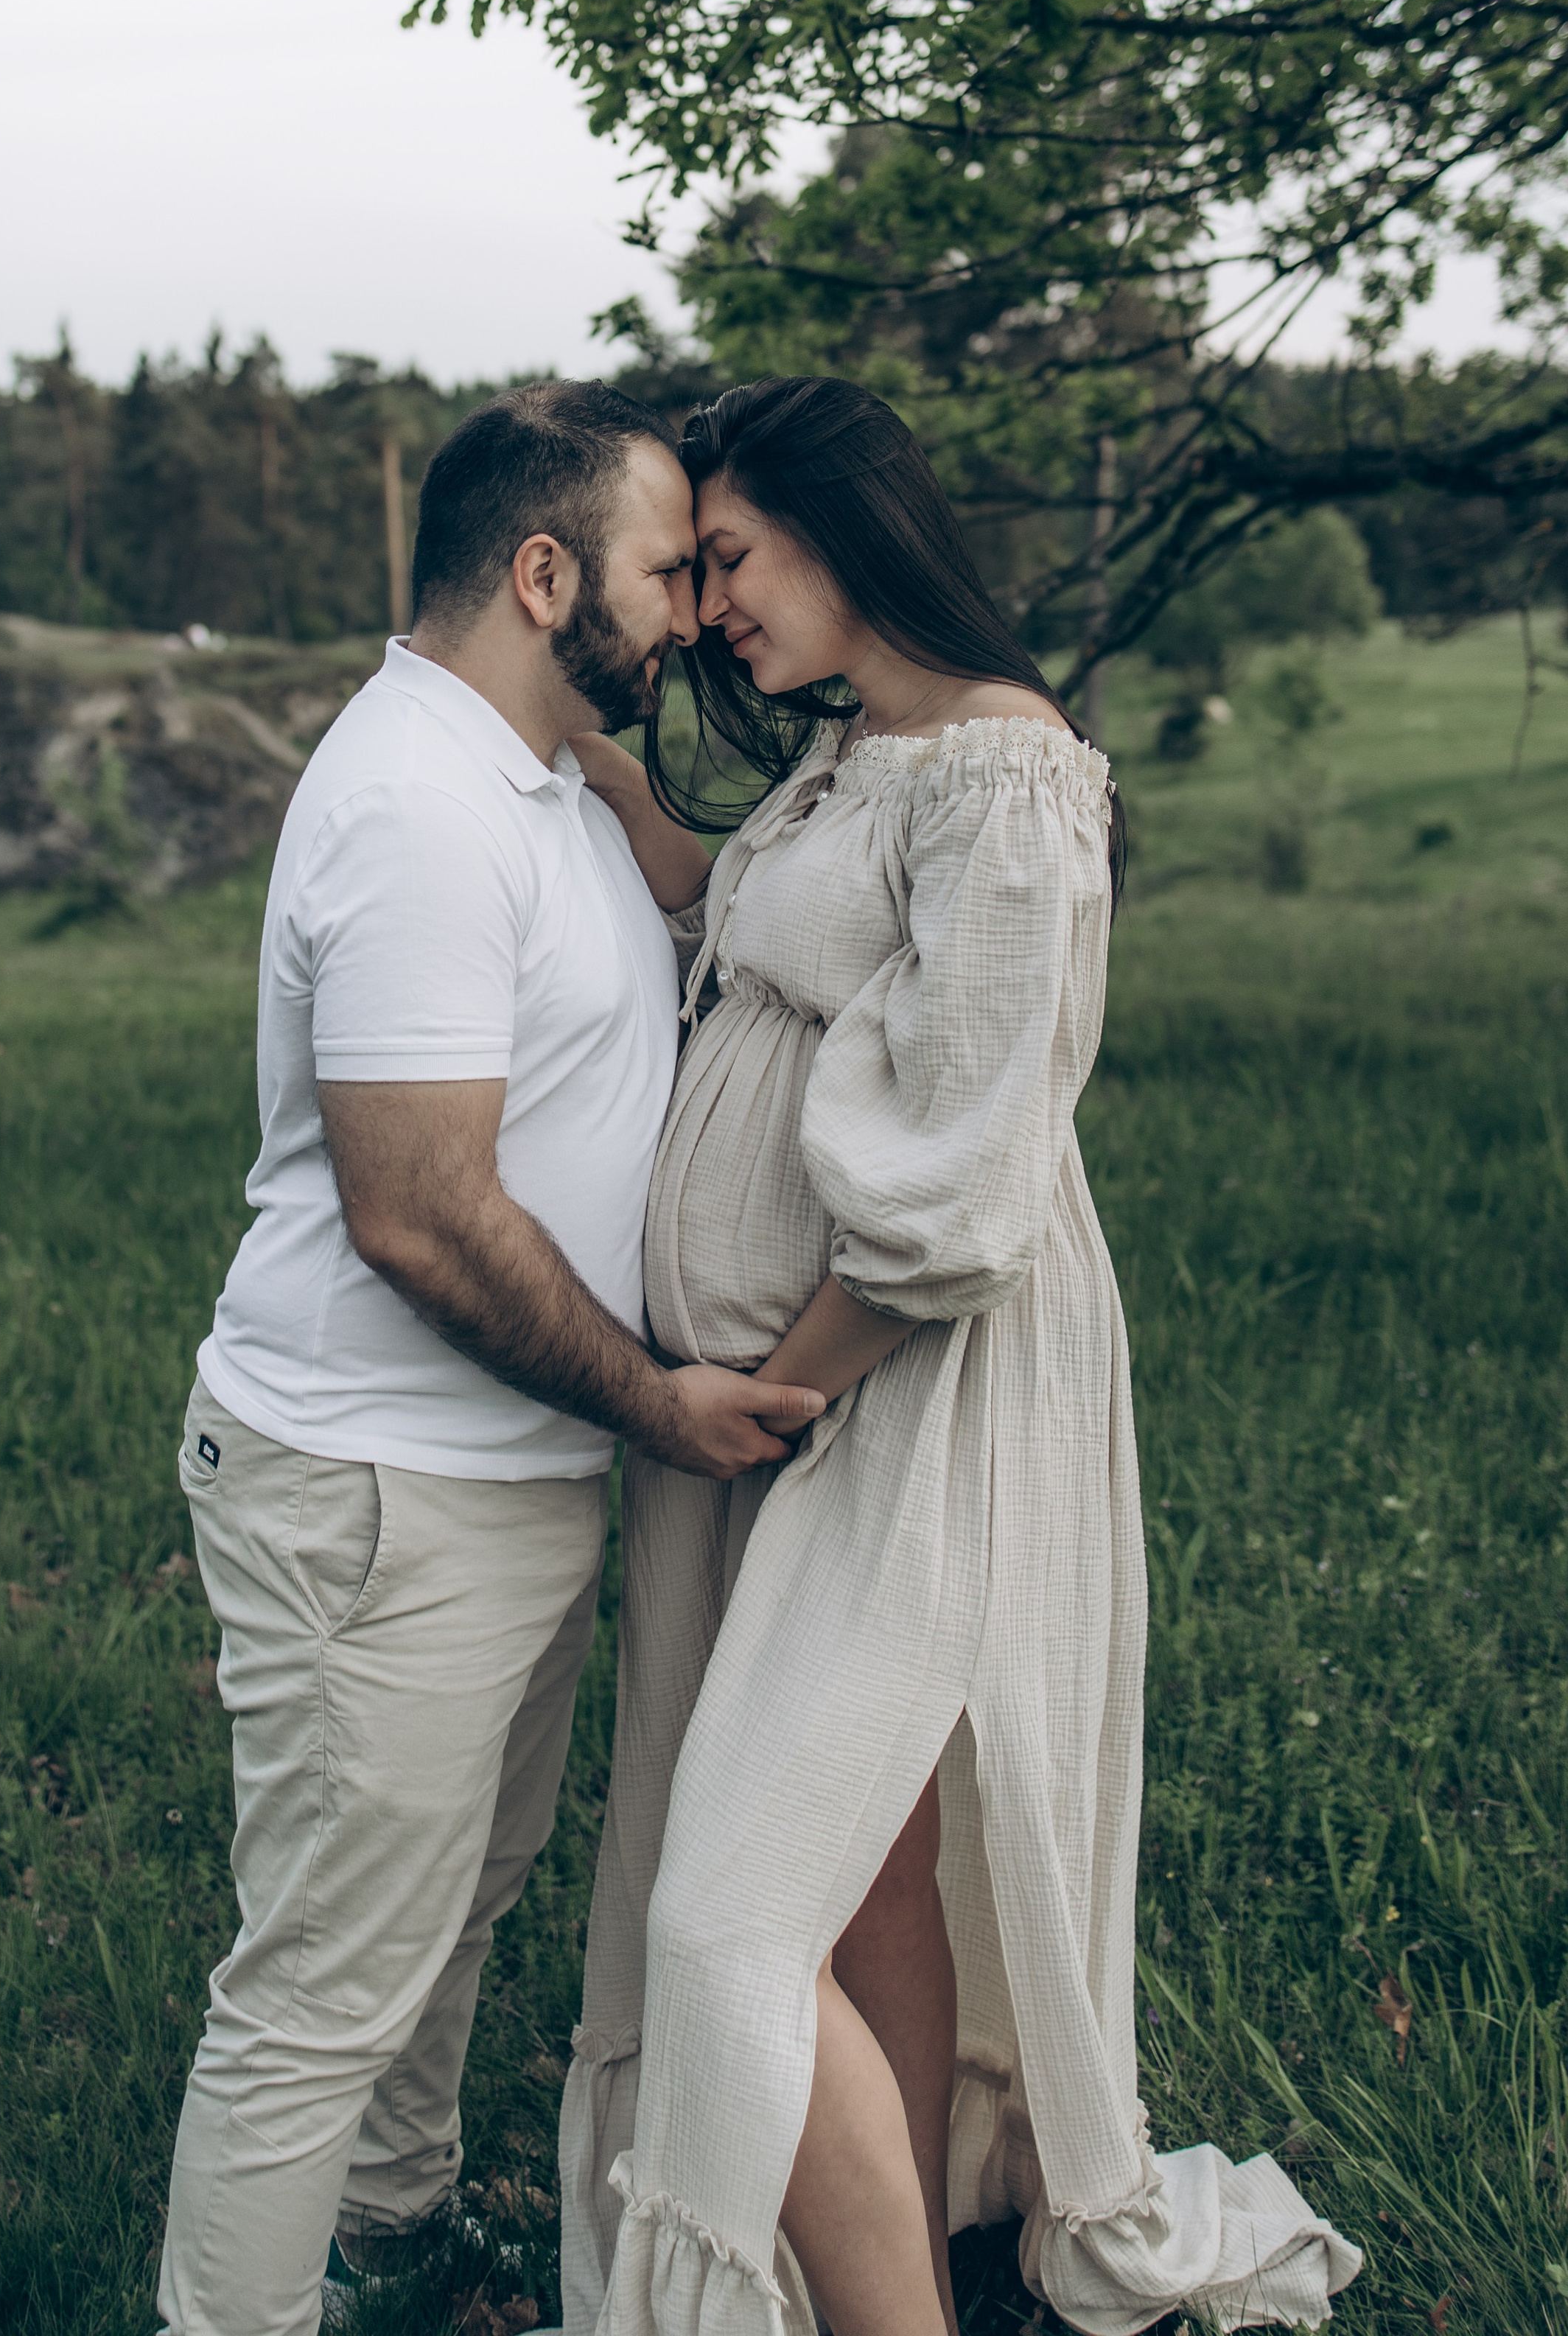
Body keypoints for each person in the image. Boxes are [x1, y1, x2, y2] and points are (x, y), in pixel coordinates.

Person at [560, 379, 1362, 2336]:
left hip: (900, 1398)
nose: (712, 607)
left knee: (727, 1920)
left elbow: (974, 1172)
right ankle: (899, 2264)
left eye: (730, 559)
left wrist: (789, 1385)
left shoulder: (1009, 774)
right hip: (801, 1407)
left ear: (847, 532)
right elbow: (750, 930)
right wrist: (605, 782)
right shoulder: (859, 760)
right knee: (870, 1871)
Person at [156, 381, 823, 2336]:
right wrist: (656, 1401)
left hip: (496, 1471)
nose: (692, 606)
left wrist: (659, 766)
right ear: (542, 575)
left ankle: (396, 2254)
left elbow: (712, 901)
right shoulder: (420, 807)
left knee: (449, 1916)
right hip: (382, 1490)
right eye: (656, 568)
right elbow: (421, 1209)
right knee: (321, 1987)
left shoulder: (531, 779)